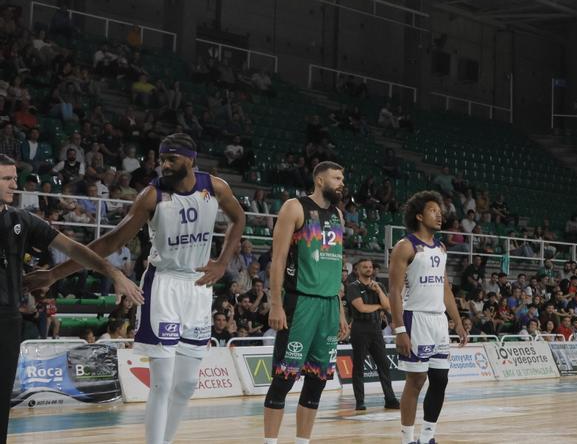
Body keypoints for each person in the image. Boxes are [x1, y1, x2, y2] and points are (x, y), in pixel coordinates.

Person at [28, 134, 244, 444]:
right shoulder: (151, 196)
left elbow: (239, 219)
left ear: (190, 160)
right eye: (162, 158)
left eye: (172, 159)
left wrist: (223, 262)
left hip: (197, 287)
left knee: (186, 384)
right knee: (162, 381)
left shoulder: (216, 187)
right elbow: (109, 242)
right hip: (163, 285)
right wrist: (53, 274)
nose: (164, 164)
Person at [10, 162, 144, 440]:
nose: (14, 184)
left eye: (14, 178)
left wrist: (112, 272)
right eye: (5, 179)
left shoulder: (21, 220)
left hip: (7, 316)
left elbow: (74, 248)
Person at [263, 162, 351, 444]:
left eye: (342, 178)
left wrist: (339, 310)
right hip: (300, 303)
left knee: (318, 381)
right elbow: (277, 260)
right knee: (284, 377)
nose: (341, 183)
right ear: (319, 179)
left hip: (328, 305)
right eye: (337, 178)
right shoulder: (294, 207)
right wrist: (275, 304)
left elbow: (336, 269)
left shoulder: (338, 214)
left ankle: (303, 441)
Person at [390, 191, 468, 444]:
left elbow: (445, 288)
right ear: (419, 215)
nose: (440, 214)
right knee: (416, 380)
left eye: (440, 211)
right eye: (434, 210)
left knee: (440, 379)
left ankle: (428, 436)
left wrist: (457, 320)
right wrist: (400, 329)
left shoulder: (441, 247)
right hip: (415, 319)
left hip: (438, 321)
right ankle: (407, 439)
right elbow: (393, 290)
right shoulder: (405, 246)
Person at [345, 258, 400, 411]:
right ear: (357, 269)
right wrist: (378, 306)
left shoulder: (379, 285)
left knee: (383, 365)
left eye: (370, 267)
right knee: (359, 367)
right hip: (360, 328)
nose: (369, 269)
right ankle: (360, 401)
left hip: (376, 329)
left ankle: (390, 399)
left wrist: (379, 292)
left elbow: (388, 306)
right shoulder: (352, 287)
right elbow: (362, 308)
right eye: (365, 267)